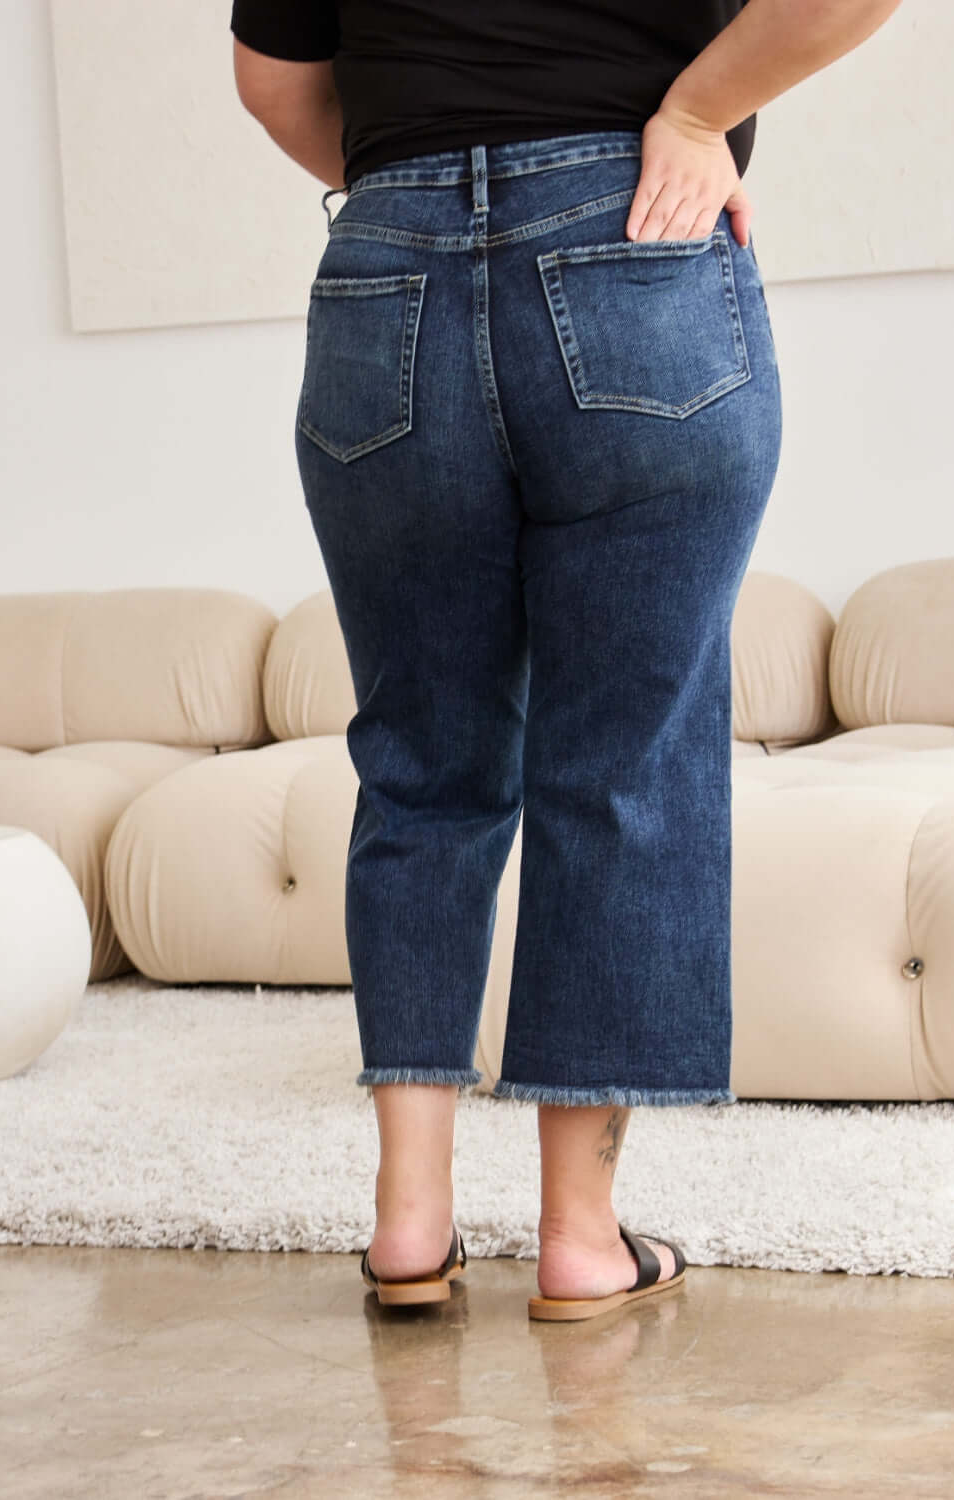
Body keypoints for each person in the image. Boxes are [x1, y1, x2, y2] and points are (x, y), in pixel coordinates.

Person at [230, 0, 904, 1320]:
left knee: (419, 764)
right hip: (629, 239)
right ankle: (581, 1238)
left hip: (387, 268)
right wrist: (696, 114)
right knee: (623, 768)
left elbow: (271, 82)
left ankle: (409, 1226)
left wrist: (423, 193)